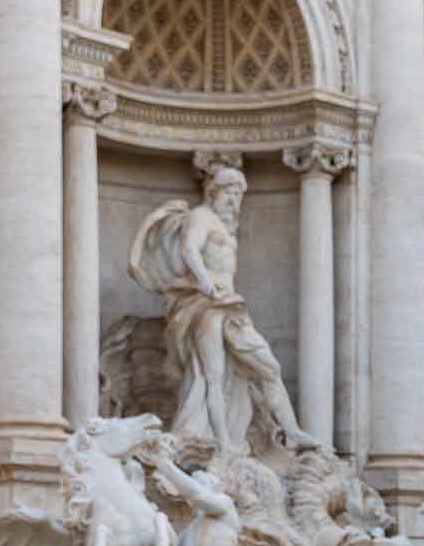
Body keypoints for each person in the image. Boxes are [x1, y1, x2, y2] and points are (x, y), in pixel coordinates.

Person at [129, 166, 315, 459]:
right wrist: (205, 283)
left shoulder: (222, 224)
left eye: (238, 195)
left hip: (230, 304)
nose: (234, 201)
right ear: (214, 192)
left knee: (269, 367)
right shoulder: (200, 217)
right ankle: (223, 442)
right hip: (205, 305)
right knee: (212, 376)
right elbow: (190, 250)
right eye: (229, 193)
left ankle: (291, 430)